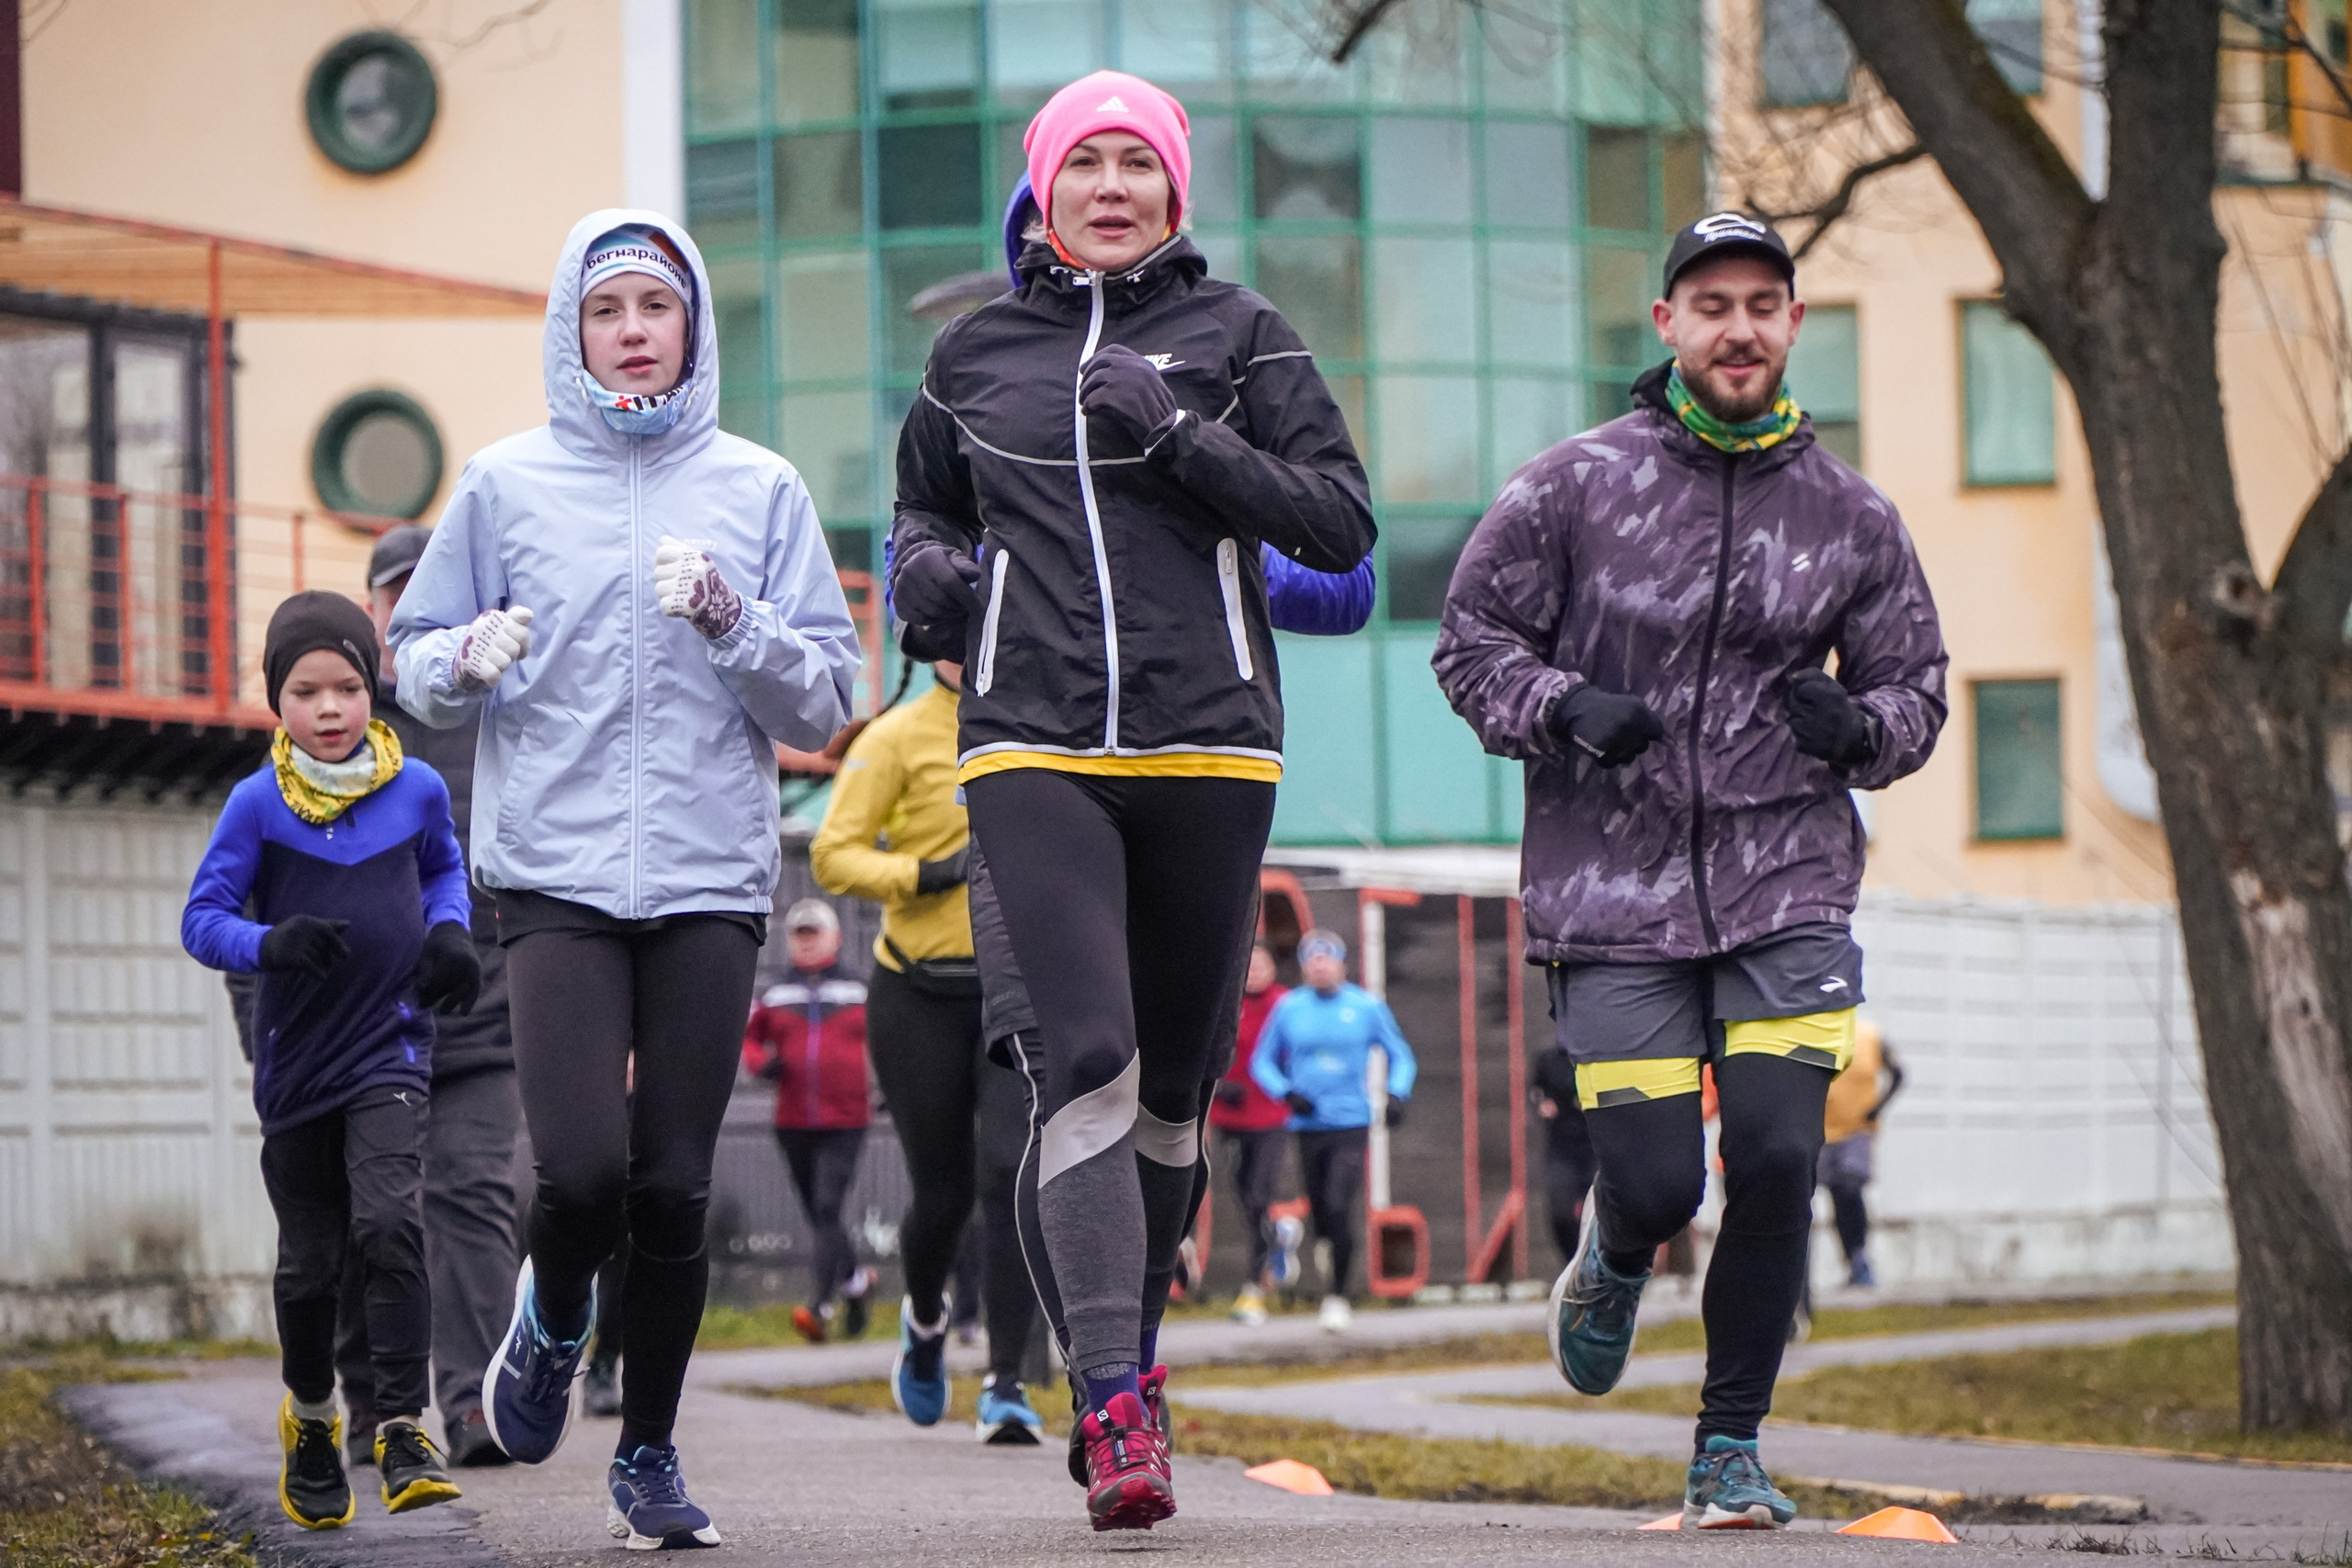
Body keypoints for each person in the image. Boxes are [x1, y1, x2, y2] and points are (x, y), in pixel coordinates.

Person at [889, 68, 1374, 1530]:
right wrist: (924, 576)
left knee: (1171, 1095)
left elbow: (1341, 521)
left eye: (1138, 166)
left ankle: (1135, 1366)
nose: (1112, 188)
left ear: (1175, 192)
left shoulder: (1239, 337)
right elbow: (922, 506)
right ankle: (1109, 1399)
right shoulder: (974, 355)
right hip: (1027, 739)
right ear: (1044, 191)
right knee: (1083, 1057)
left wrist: (1183, 437)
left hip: (1208, 744)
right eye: (1084, 164)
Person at [1432, 210, 1947, 1530]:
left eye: (1762, 303)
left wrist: (1864, 729)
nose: (1738, 327)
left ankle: (1729, 1443)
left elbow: (1915, 690)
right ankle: (1611, 1254)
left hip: (1788, 879)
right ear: (1666, 325)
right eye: (1710, 303)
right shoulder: (1574, 485)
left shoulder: (1851, 516)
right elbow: (1470, 639)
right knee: (1662, 1183)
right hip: (1613, 893)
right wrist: (1560, 708)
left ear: (1791, 323)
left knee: (1779, 1155)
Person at [390, 210, 860, 1551]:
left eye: (659, 306)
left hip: (711, 869)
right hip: (556, 870)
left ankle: (646, 1450)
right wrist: (462, 653)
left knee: (673, 1185)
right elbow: (408, 656)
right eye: (610, 310)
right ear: (574, 330)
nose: (636, 329)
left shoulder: (761, 488)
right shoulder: (503, 482)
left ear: (694, 327)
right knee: (584, 1168)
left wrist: (731, 614)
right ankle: (548, 1319)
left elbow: (825, 696)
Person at [182, 592, 480, 1530]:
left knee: (391, 1224)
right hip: (298, 1064)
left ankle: (400, 1424)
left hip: (390, 1044)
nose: (328, 708)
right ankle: (313, 1419)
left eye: (347, 686)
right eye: (305, 690)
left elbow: (441, 870)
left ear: (371, 689)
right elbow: (202, 920)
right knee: (312, 1266)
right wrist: (267, 945)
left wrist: (451, 934)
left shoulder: (417, 788)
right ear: (279, 702)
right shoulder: (256, 804)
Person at [317, 525, 526, 1472]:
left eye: (428, 585)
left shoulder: (505, 710)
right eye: (395, 590)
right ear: (372, 610)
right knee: (375, 1213)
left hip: (484, 1006)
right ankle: (373, 1404)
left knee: (472, 1190)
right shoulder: (335, 723)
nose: (410, 602)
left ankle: (477, 1403)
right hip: (361, 1022)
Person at [808, 660, 1045, 1445]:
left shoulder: (1042, 715)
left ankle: (1006, 1383)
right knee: (941, 1195)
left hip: (1014, 992)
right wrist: (924, 872)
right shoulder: (900, 734)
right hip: (916, 994)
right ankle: (926, 1316)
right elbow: (832, 853)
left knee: (1013, 1176)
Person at [1247, 930, 1416, 1333]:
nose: (1320, 966)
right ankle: (1323, 1254)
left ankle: (1338, 1296)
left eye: (1328, 959)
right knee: (1321, 1208)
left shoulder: (1365, 1006)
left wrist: (1396, 1094)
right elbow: (1261, 1062)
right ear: (1305, 966)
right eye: (1312, 960)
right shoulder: (1290, 1008)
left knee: (1341, 1202)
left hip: (1351, 1122)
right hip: (1307, 1123)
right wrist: (1285, 1092)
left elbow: (1401, 1055)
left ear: (1341, 963)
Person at [741, 899, 877, 1342]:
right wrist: (762, 1065)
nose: (806, 940)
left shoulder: (860, 990)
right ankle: (856, 1282)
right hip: (793, 1120)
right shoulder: (776, 993)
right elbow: (749, 1040)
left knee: (826, 1207)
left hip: (847, 1118)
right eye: (799, 933)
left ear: (835, 938)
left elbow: (895, 1039)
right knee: (821, 1216)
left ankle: (819, 1307)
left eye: (813, 932)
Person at [1211, 941, 1293, 1326]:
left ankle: (1252, 1289)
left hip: (1271, 1114)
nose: (1257, 970)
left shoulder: (1287, 1004)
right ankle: (1276, 1237)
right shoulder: (1225, 1003)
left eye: (1264, 963)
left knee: (1260, 1194)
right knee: (1243, 1196)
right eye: (1251, 964)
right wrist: (1217, 1084)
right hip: (1229, 1113)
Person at [1819, 1019, 1903, 1287]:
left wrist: (1878, 1108)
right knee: (1835, 1195)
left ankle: (1860, 1257)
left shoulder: (1871, 1036)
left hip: (1857, 1130)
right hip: (1823, 1130)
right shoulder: (1818, 1030)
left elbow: (1899, 1074)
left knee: (1849, 1187)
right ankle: (1850, 1261)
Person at [1532, 1048, 1598, 1268]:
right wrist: (1541, 1105)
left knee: (1602, 1211)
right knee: (1560, 1212)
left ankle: (1601, 1265)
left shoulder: (1599, 1052)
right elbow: (1535, 1091)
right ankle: (1573, 1264)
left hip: (1597, 1143)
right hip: (1562, 1145)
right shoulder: (1550, 1058)